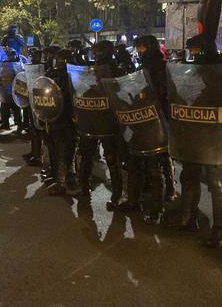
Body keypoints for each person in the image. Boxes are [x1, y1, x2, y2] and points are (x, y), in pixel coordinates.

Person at [177, 34, 222, 248]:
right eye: (191, 50)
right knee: (189, 176)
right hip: (192, 132)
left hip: (214, 136)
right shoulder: (189, 73)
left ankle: (219, 230)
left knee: (216, 183)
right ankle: (187, 219)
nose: (192, 54)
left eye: (196, 50)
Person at [121, 35, 171, 224]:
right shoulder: (140, 69)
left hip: (156, 123)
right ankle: (134, 200)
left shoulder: (163, 69)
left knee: (154, 167)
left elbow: (164, 96)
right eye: (138, 48)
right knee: (134, 163)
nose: (139, 51)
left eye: (142, 47)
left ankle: (157, 208)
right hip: (139, 121)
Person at [76, 40, 125, 210]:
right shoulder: (90, 70)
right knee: (87, 154)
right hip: (92, 117)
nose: (96, 55)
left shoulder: (117, 71)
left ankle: (117, 193)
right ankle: (83, 185)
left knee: (111, 159)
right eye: (94, 52)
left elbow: (121, 95)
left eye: (98, 52)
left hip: (108, 120)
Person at [44, 48, 78, 195]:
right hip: (66, 120)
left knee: (62, 151)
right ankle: (68, 180)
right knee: (67, 151)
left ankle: (63, 183)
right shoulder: (74, 76)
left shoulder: (67, 77)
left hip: (62, 119)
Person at [0, 48, 23, 132]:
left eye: (12, 54)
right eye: (9, 55)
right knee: (5, 108)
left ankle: (19, 125)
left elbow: (21, 74)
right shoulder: (5, 63)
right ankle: (5, 123)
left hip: (15, 88)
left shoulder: (19, 63)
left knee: (16, 109)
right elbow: (0, 73)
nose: (11, 56)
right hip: (6, 88)